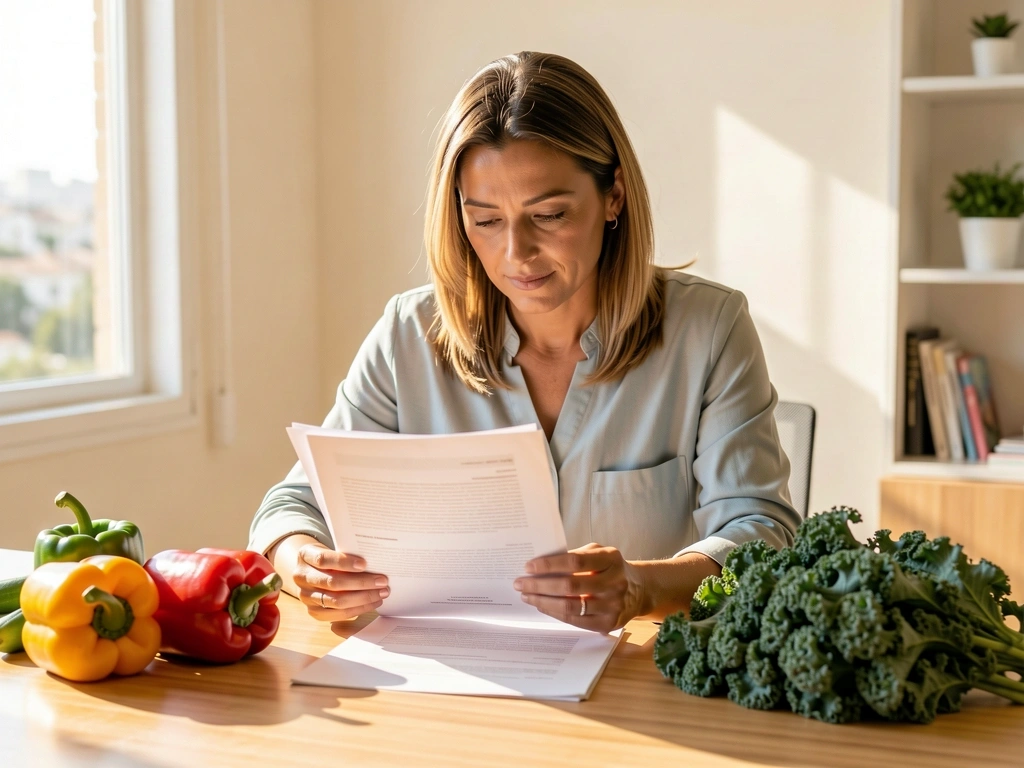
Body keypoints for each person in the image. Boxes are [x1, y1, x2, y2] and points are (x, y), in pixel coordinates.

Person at [248, 51, 800, 635]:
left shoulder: (709, 329)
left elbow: (762, 533)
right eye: (486, 220)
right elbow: (291, 507)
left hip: (640, 673)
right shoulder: (407, 335)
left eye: (550, 215)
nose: (517, 254)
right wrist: (306, 564)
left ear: (613, 195)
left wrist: (643, 587)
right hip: (454, 673)